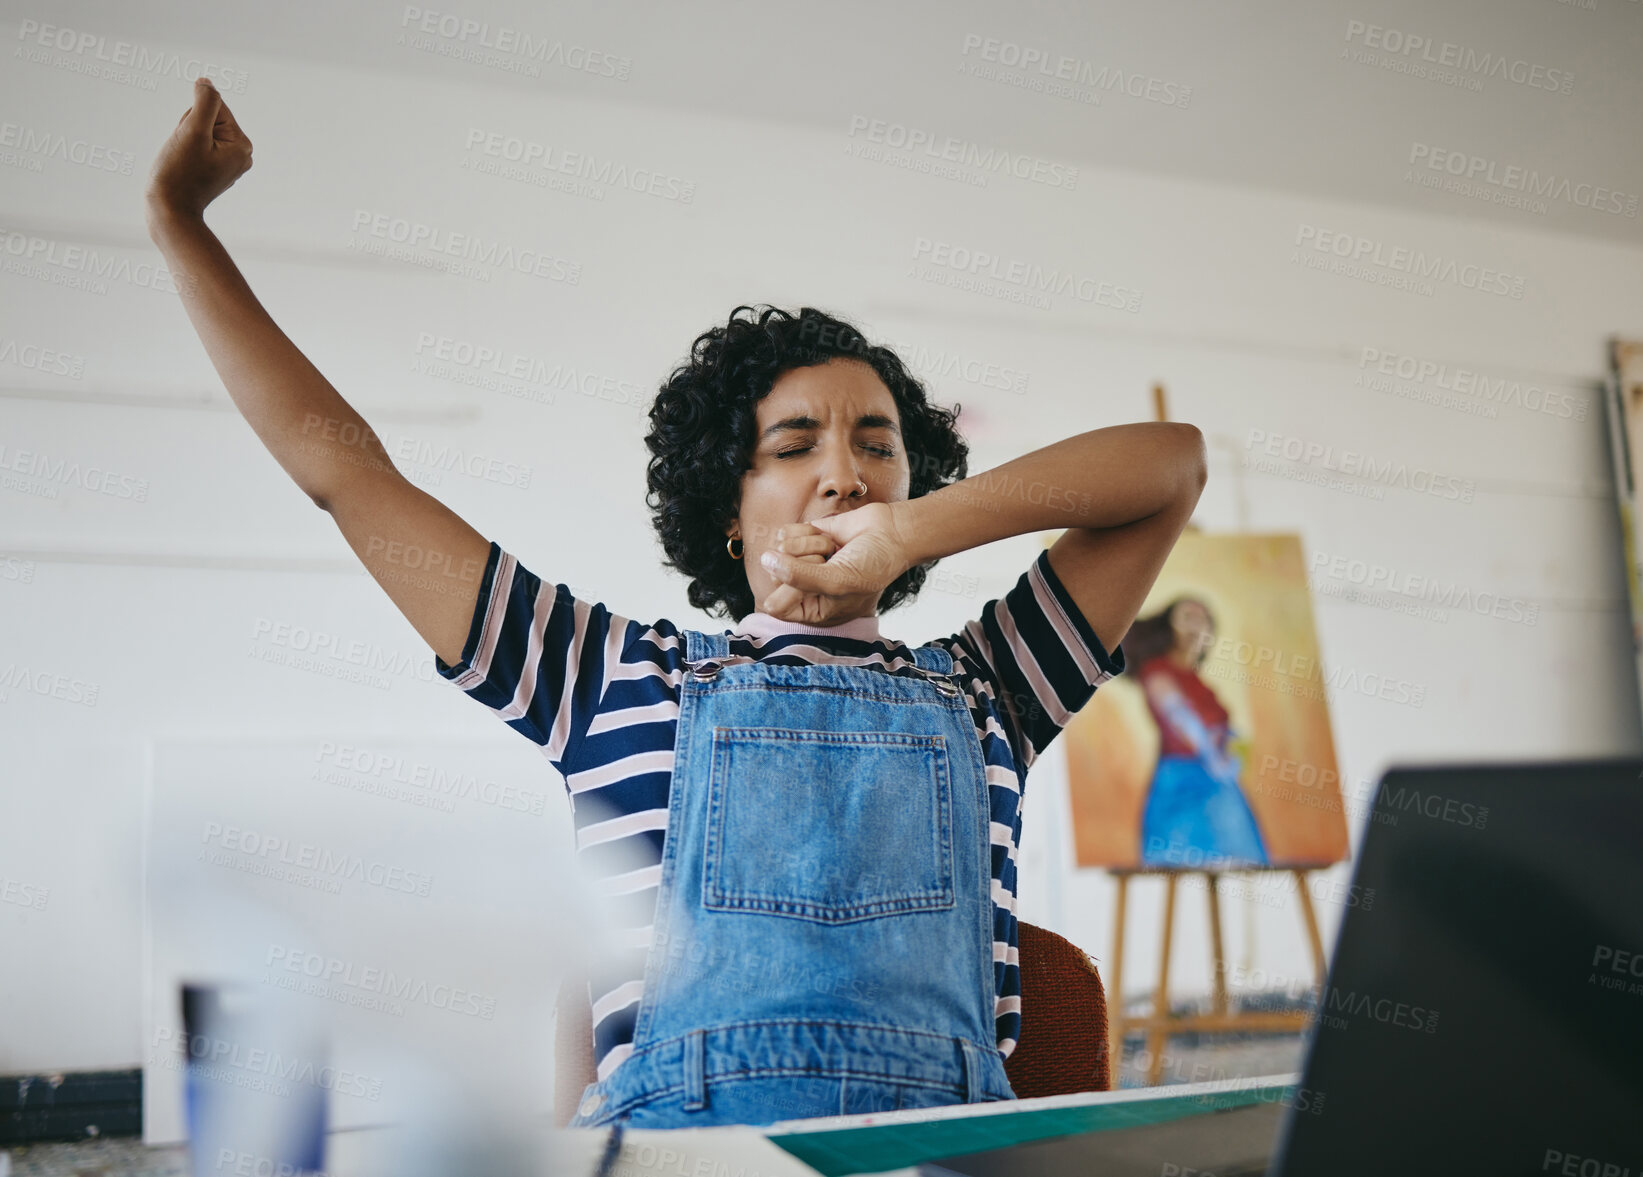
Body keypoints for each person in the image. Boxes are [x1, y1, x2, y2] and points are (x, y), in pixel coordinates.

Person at [145, 78, 1208, 1130]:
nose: (846, 476)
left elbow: (1172, 466)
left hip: (932, 1152)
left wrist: (918, 525)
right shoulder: (605, 675)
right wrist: (183, 229)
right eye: (795, 448)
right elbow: (348, 477)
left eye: (878, 448)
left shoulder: (991, 686)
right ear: (729, 514)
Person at [1121, 598, 1270, 868]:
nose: (1196, 625)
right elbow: (1177, 715)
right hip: (1182, 783)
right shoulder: (1157, 670)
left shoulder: (1198, 680)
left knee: (1239, 858)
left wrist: (1233, 748)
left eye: (1202, 619)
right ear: (1169, 626)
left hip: (1218, 785)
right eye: (1187, 617)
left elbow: (1220, 728)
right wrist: (1213, 754)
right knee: (1183, 855)